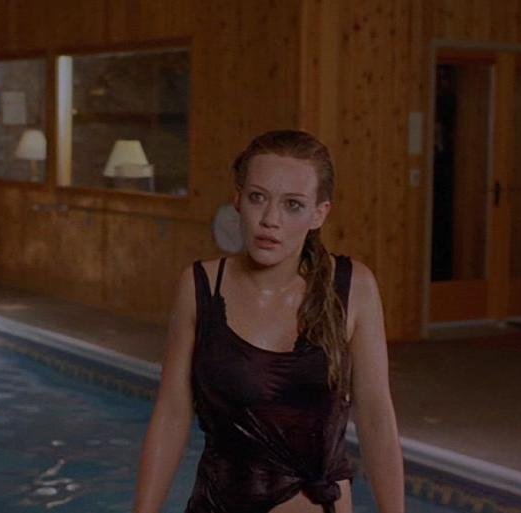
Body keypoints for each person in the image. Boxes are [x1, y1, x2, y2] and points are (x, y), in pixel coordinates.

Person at [133, 130, 405, 513]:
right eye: (258, 197)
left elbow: (376, 416)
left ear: (319, 213)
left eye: (293, 205)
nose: (270, 220)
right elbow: (173, 412)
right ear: (238, 200)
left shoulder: (353, 287)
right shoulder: (200, 286)